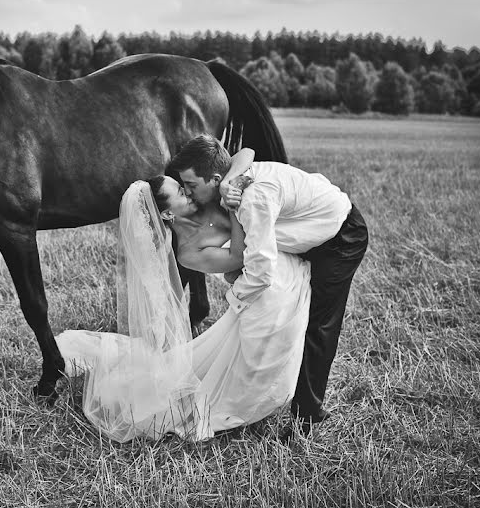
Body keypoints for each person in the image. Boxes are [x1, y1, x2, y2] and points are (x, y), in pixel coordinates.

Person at [55, 148, 311, 442]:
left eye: (186, 186)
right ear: (166, 214)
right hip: (258, 275)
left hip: (269, 263)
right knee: (249, 354)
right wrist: (235, 211)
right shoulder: (188, 251)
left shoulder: (206, 199)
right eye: (180, 191)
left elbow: (246, 154)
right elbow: (237, 259)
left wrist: (229, 184)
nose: (189, 193)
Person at [169, 134, 368, 441]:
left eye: (193, 185)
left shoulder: (251, 200)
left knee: (320, 325)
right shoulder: (233, 186)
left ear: (216, 179)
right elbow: (244, 153)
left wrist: (235, 298)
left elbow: (260, 272)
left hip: (340, 239)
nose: (189, 193)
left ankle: (308, 417)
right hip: (305, 234)